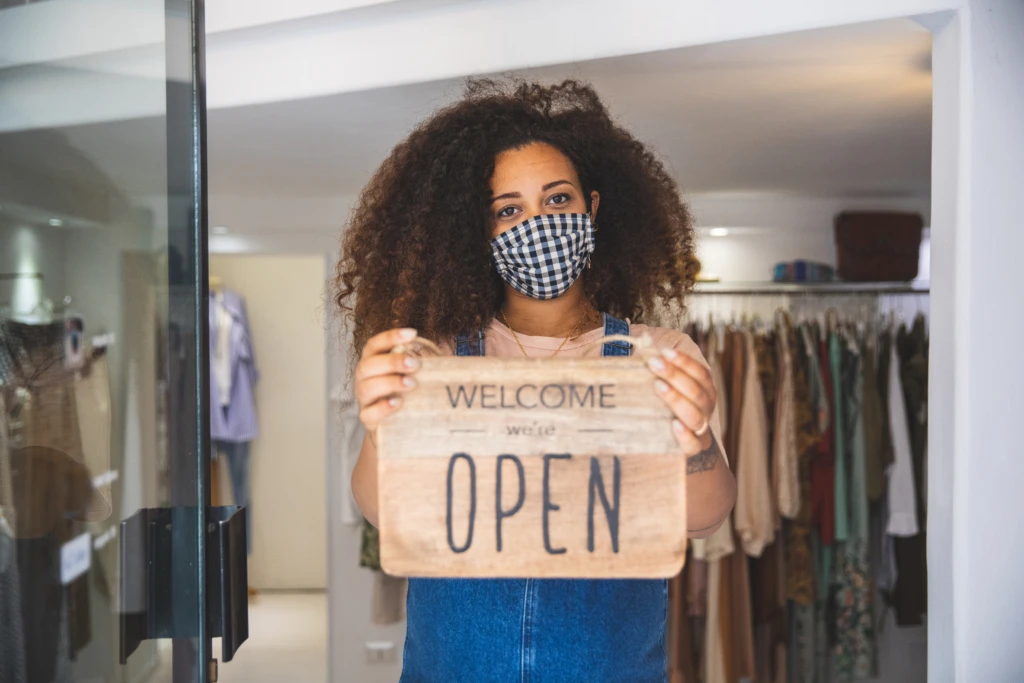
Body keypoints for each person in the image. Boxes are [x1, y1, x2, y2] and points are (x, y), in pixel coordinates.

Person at [334, 79, 737, 683]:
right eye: (508, 210)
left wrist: (697, 437)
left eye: (556, 200)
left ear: (591, 209)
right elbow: (387, 515)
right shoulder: (436, 357)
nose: (537, 223)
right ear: (483, 231)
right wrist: (379, 427)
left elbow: (706, 517)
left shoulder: (661, 357)